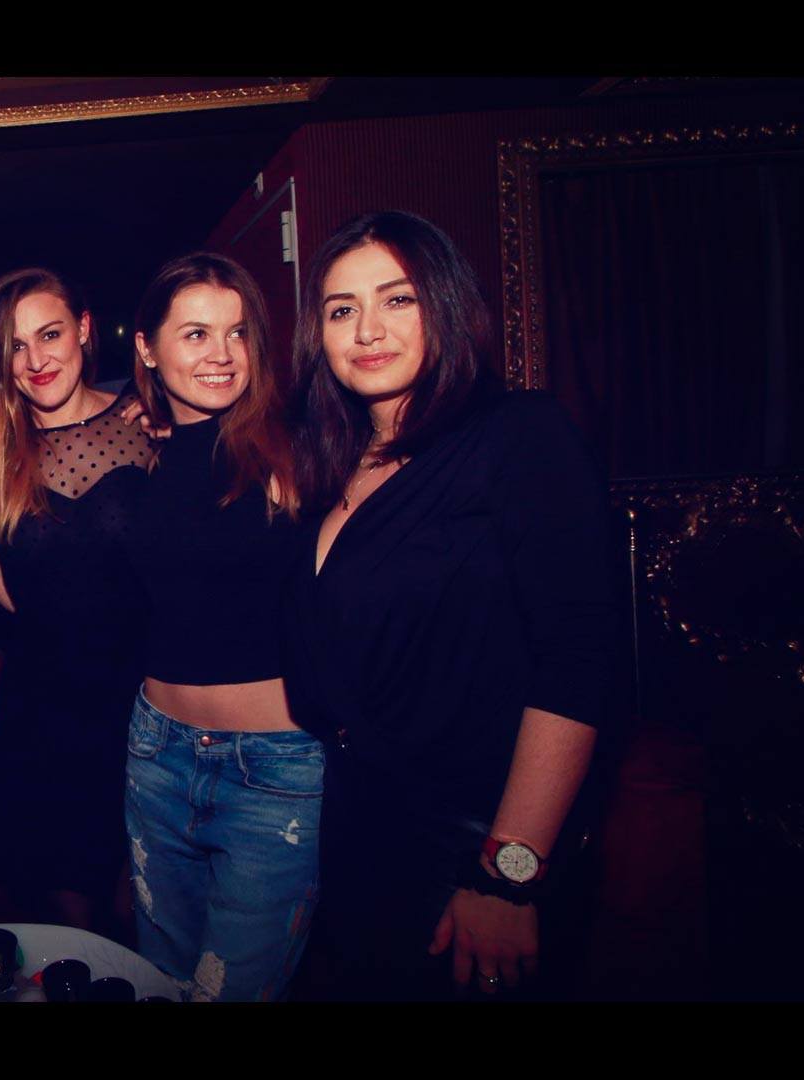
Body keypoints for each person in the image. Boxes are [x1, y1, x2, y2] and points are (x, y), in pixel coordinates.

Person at [281, 210, 616, 1000]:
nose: (367, 329)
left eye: (397, 299)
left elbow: (578, 663)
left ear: (447, 304)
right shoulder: (329, 467)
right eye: (341, 309)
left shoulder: (519, 435)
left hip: (475, 846)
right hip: (360, 833)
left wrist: (508, 876)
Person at [119, 252, 322, 1001]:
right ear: (147, 348)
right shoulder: (137, 454)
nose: (222, 354)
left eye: (237, 333)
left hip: (274, 768)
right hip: (156, 754)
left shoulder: (298, 448)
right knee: (160, 981)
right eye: (197, 334)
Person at [0, 267, 151, 929]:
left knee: (149, 910)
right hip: (47, 716)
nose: (36, 360)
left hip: (150, 708)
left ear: (83, 329)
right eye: (14, 347)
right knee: (67, 921)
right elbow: (7, 598)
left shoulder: (152, 424)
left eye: (50, 334)